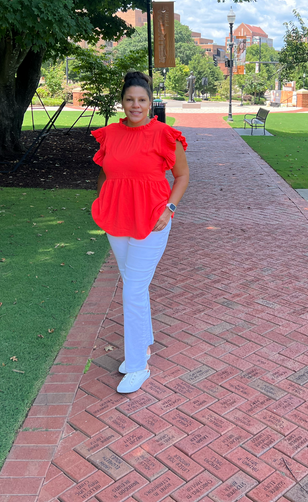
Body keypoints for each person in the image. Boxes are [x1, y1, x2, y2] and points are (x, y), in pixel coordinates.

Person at [91, 71, 189, 393]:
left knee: (132, 290)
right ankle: (143, 344)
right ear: (122, 101)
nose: (136, 105)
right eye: (130, 99)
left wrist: (169, 209)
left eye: (142, 100)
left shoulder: (165, 135)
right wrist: (103, 199)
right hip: (116, 219)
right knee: (135, 285)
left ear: (151, 102)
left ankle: (137, 365)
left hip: (153, 220)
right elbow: (106, 173)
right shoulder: (111, 134)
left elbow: (182, 176)